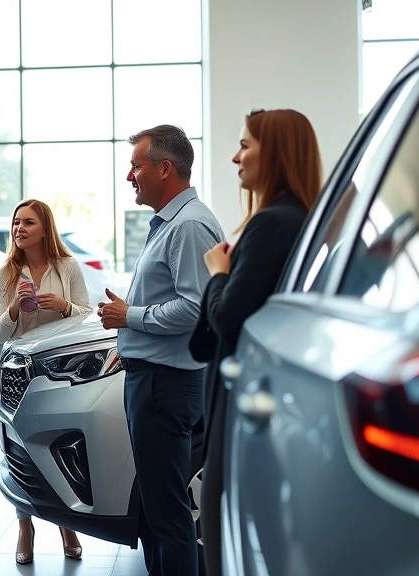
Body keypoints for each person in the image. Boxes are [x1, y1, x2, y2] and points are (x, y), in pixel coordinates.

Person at [190, 109, 320, 576]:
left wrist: (217, 275)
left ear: (277, 152)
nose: (234, 157)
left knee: (222, 532)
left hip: (241, 396)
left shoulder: (272, 224)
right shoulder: (298, 219)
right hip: (261, 395)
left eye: (245, 145)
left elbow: (228, 317)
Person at [98, 125, 224, 576]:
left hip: (164, 385)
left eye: (136, 166)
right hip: (158, 379)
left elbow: (194, 309)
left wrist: (128, 318)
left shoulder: (188, 226)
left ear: (165, 168)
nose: (129, 175)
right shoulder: (174, 223)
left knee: (167, 516)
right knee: (157, 511)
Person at [0, 198, 91, 565]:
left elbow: (87, 317)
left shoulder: (68, 266)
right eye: (16, 223)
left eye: (28, 223)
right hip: (18, 373)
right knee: (19, 450)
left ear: (44, 228)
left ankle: (68, 525)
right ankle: (24, 525)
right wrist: (14, 307)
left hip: (61, 371)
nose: (19, 229)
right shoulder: (7, 273)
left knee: (60, 447)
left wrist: (63, 307)